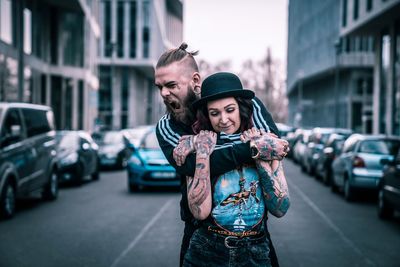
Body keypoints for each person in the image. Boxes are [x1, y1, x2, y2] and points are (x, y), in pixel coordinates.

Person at [155, 43, 289, 266]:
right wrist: (250, 148)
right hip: (202, 234)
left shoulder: (246, 102)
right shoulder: (166, 126)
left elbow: (274, 145)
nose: (164, 93)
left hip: (255, 235)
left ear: (195, 80)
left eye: (170, 85)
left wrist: (200, 146)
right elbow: (188, 166)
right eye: (159, 87)